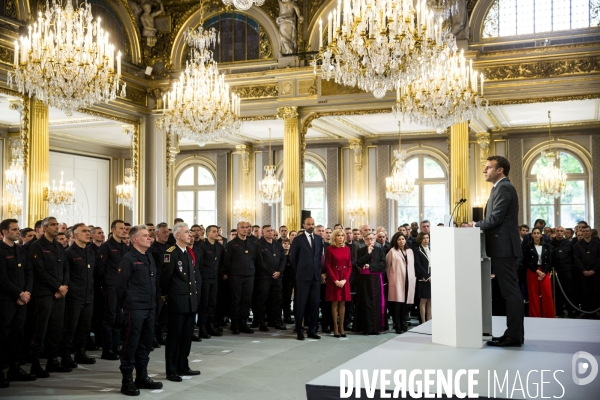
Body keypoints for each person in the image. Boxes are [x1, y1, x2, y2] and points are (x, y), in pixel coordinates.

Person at [471, 155, 524, 347]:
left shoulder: (504, 187)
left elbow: (496, 218)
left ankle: (514, 335)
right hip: (501, 247)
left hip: (504, 248)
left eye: (488, 167)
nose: (484, 171)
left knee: (511, 292)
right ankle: (513, 333)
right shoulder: (499, 188)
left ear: (499, 170)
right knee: (509, 292)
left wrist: (475, 225)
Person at [116, 225, 162, 396]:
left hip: (150, 307)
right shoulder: (128, 259)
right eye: (145, 235)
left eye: (149, 235)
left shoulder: (148, 256)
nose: (149, 238)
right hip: (134, 308)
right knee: (131, 344)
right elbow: (120, 286)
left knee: (146, 344)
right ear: (135, 239)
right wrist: (124, 304)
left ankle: (142, 376)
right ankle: (127, 380)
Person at [29, 217, 71, 377]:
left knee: (56, 329)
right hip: (44, 294)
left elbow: (66, 269)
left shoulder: (59, 246)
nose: (57, 227)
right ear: (44, 228)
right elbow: (39, 271)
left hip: (60, 294)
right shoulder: (36, 247)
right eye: (53, 225)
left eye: (57, 225)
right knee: (40, 330)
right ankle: (35, 364)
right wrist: (57, 286)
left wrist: (64, 286)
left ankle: (53, 361)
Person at [160, 223, 200, 382]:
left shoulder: (189, 253)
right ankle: (171, 370)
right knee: (174, 337)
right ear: (177, 235)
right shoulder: (170, 253)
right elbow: (165, 279)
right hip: (177, 301)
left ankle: (183, 365)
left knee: (186, 337)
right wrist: (166, 297)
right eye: (186, 232)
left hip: (190, 301)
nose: (190, 234)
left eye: (190, 232)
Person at [0, 219, 36, 387]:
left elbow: (29, 272)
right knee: (3, 335)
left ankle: (15, 368)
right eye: (14, 229)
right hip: (6, 299)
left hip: (22, 300)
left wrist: (27, 292)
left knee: (17, 335)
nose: (17, 232)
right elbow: (2, 278)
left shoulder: (20, 251)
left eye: (18, 229)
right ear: (4, 232)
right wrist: (19, 293)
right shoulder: (0, 250)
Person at [60, 223, 97, 368]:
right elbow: (66, 275)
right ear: (75, 235)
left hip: (88, 296)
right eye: (84, 231)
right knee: (70, 328)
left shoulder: (90, 252)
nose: (88, 233)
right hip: (74, 297)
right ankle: (65, 355)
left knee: (85, 327)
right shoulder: (69, 253)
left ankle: (80, 353)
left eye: (88, 231)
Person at [96, 219, 129, 360]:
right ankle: (107, 349)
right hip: (110, 286)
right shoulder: (106, 246)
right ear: (113, 230)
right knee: (109, 318)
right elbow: (100, 268)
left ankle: (116, 347)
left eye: (125, 229)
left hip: (122, 287)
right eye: (121, 228)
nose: (124, 231)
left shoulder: (125, 247)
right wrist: (106, 283)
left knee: (119, 319)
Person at [222, 221, 261, 334]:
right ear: (237, 229)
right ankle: (235, 323)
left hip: (249, 276)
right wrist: (234, 271)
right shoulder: (231, 244)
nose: (245, 229)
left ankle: (243, 322)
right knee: (236, 300)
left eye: (247, 227)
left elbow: (254, 259)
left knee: (246, 301)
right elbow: (227, 261)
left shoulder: (252, 243)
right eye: (242, 227)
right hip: (236, 276)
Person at [290, 217, 323, 340]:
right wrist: (300, 271)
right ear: (304, 225)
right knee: (301, 304)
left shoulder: (319, 239)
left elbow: (319, 257)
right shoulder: (298, 240)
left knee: (314, 305)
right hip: (302, 277)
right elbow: (293, 259)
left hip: (315, 277)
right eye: (309, 224)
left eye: (313, 224)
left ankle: (312, 331)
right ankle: (299, 330)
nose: (311, 226)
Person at [354, 232, 387, 335]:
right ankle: (366, 328)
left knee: (376, 303)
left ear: (374, 239)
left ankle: (376, 328)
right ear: (364, 240)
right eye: (367, 239)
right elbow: (359, 263)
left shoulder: (380, 250)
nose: (370, 240)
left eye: (372, 238)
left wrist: (370, 266)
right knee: (366, 303)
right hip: (365, 281)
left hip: (377, 280)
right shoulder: (361, 251)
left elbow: (383, 264)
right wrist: (368, 253)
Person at [255, 225, 286, 331]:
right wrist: (272, 272)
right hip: (265, 277)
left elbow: (283, 259)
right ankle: (262, 322)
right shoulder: (259, 245)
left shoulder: (278, 245)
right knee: (263, 300)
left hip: (277, 277)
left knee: (277, 299)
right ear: (263, 233)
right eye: (268, 231)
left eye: (271, 230)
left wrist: (280, 271)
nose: (270, 232)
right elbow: (260, 262)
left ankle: (277, 320)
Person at [196, 225, 224, 338]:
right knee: (204, 303)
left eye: (217, 231)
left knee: (212, 303)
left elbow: (222, 263)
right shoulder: (202, 247)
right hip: (205, 279)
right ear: (208, 233)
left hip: (215, 278)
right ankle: (202, 326)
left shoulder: (219, 247)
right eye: (214, 231)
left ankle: (210, 324)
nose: (216, 233)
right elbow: (199, 264)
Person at [386, 233, 417, 334]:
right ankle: (397, 325)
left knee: (406, 305)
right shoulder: (392, 251)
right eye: (399, 239)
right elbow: (387, 267)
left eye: (403, 239)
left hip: (409, 280)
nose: (401, 241)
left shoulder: (410, 251)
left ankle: (404, 324)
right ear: (395, 240)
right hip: (397, 281)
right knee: (397, 305)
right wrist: (391, 278)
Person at [324, 229, 352, 338]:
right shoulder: (329, 249)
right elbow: (328, 265)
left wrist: (344, 280)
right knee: (335, 303)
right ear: (334, 237)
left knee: (343, 303)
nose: (341, 237)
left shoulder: (347, 249)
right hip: (334, 278)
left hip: (344, 278)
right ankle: (335, 327)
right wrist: (335, 280)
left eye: (342, 235)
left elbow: (349, 266)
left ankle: (342, 327)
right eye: (338, 235)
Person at [521, 227, 554, 318]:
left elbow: (550, 260)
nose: (536, 235)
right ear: (531, 235)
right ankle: (535, 315)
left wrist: (543, 272)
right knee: (533, 294)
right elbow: (526, 260)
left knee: (547, 293)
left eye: (538, 233)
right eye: (534, 233)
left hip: (544, 271)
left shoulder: (546, 246)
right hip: (533, 271)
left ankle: (549, 316)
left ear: (541, 235)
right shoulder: (528, 246)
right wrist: (537, 271)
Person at [573, 225, 600, 319]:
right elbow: (576, 259)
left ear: (590, 232)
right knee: (584, 293)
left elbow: (599, 258)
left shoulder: (597, 244)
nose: (586, 233)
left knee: (595, 292)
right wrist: (583, 270)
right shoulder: (577, 245)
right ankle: (585, 312)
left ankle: (594, 312)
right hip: (582, 273)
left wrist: (594, 270)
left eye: (587, 231)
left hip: (595, 273)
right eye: (583, 231)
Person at [150, 222, 170, 346]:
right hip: (157, 284)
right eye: (164, 232)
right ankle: (152, 336)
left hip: (167, 284)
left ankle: (161, 334)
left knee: (165, 313)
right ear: (156, 233)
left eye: (167, 232)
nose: (166, 234)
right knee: (156, 311)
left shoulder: (170, 248)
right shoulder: (152, 249)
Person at [551, 226, 575, 318]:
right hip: (555, 271)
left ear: (564, 232)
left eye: (561, 231)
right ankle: (558, 311)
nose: (559, 233)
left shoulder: (569, 244)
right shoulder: (551, 243)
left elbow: (573, 257)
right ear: (555, 232)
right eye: (557, 231)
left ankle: (570, 311)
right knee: (556, 292)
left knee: (568, 291)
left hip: (567, 270)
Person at [414, 232, 432, 323]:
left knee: (430, 301)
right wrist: (427, 276)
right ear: (420, 239)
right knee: (423, 301)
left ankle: (429, 320)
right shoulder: (417, 250)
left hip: (432, 278)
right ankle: (423, 321)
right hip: (423, 279)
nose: (426, 240)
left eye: (427, 238)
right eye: (424, 238)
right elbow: (418, 265)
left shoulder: (430, 249)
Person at [281, 238, 295, 324]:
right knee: (281, 299)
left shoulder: (292, 256)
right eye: (285, 244)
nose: (286, 245)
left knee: (288, 299)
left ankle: (287, 316)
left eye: (288, 244)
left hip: (290, 280)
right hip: (281, 280)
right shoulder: (280, 255)